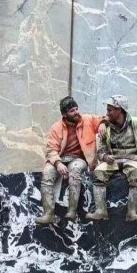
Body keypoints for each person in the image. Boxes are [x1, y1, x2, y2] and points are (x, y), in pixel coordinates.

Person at [87, 95, 137, 222]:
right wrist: (105, 157)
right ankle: (100, 211)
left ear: (119, 110)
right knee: (98, 172)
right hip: (113, 161)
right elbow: (100, 151)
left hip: (132, 160)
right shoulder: (106, 127)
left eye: (110, 110)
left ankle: (132, 212)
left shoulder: (136, 123)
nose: (107, 113)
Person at [36, 96, 106, 224]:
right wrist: (58, 163)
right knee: (47, 173)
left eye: (76, 109)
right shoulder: (56, 127)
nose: (76, 112)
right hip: (60, 158)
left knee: (75, 169)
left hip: (79, 159)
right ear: (64, 114)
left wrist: (102, 124)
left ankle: (72, 211)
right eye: (72, 111)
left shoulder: (87, 120)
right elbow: (51, 150)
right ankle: (48, 214)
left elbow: (105, 118)